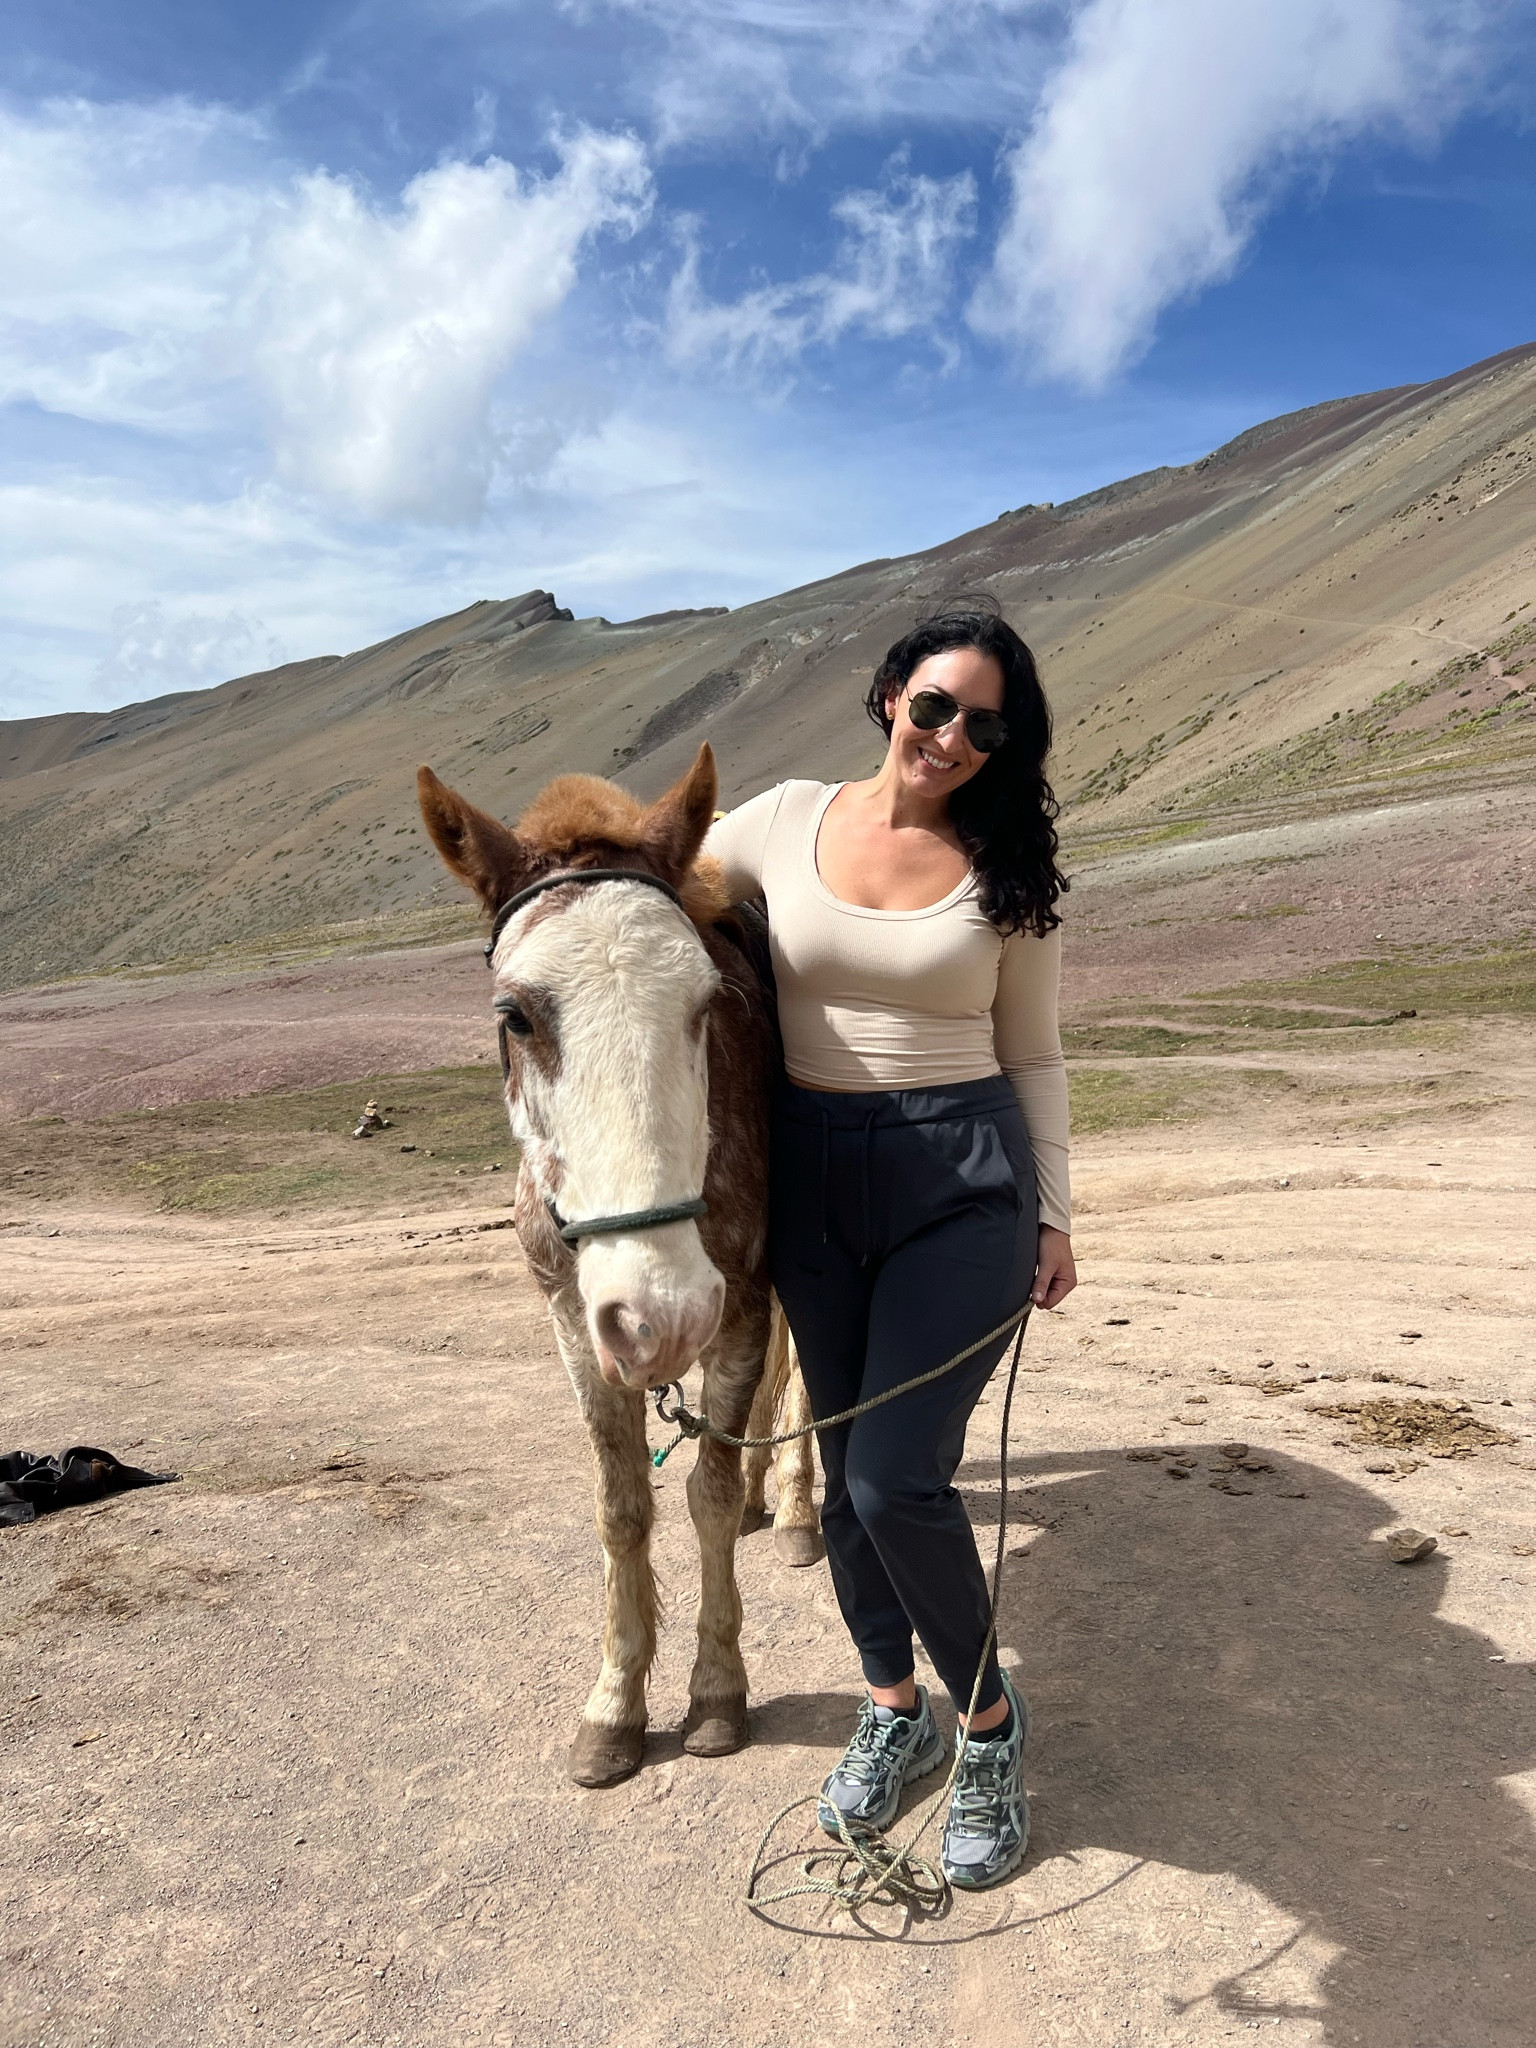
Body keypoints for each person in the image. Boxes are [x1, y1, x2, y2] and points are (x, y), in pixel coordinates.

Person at [703, 599, 1076, 1890]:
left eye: (986, 726)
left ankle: (987, 1725)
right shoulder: (778, 822)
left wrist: (1056, 1212)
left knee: (891, 1478)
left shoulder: (1005, 872)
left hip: (962, 1180)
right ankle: (891, 1705)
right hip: (814, 1179)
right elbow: (652, 887)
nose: (953, 737)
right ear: (887, 699)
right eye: (934, 707)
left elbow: (1034, 1053)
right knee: (843, 1467)